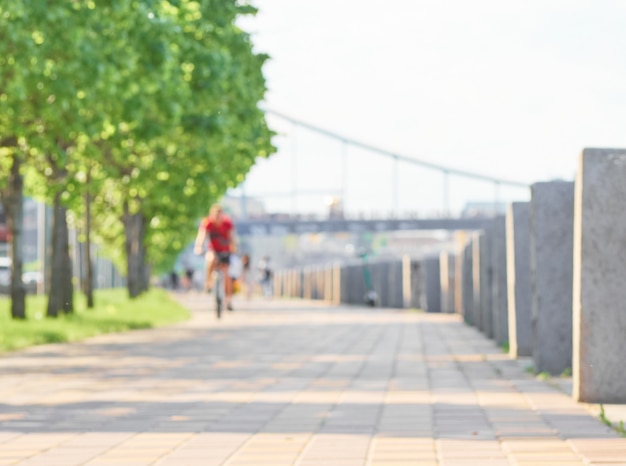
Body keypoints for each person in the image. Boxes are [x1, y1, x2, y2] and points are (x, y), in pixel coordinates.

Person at [194, 204, 236, 311]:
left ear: (222, 215)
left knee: (226, 275)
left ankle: (228, 300)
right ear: (211, 215)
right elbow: (201, 236)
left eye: (219, 215)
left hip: (225, 250)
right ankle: (208, 284)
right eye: (215, 215)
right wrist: (198, 246)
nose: (217, 217)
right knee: (210, 259)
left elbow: (232, 237)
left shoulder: (227, 223)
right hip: (213, 249)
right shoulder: (207, 223)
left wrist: (233, 247)